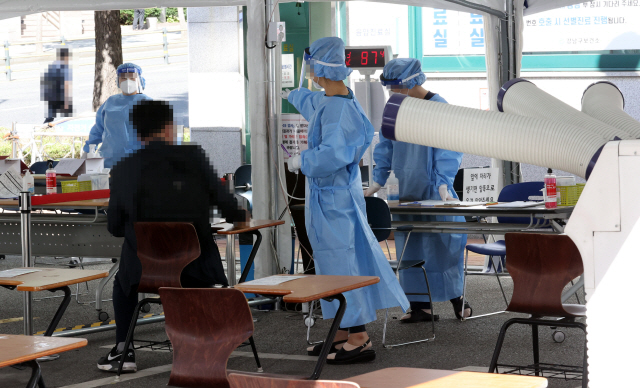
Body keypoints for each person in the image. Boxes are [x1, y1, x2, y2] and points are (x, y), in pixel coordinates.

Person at [282, 37, 409, 365]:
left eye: (310, 65)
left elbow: (334, 154)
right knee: (329, 269)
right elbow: (315, 104)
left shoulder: (341, 110)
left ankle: (359, 338)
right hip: (326, 202)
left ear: (319, 69)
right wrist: (294, 94)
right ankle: (339, 332)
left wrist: (303, 161)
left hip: (336, 203)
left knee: (342, 271)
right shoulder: (331, 99)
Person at [97, 100, 247, 373]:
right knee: (199, 252)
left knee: (122, 280)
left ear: (137, 133)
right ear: (169, 128)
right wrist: (240, 215)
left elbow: (115, 227)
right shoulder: (193, 158)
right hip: (196, 270)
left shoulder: (122, 169)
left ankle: (124, 350)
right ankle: (202, 344)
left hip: (145, 272)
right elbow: (227, 205)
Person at [366, 58, 472, 322]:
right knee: (409, 250)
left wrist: (444, 182)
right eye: (391, 89)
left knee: (443, 248)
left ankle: (458, 300)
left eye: (399, 88)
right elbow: (386, 145)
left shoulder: (439, 108)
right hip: (405, 192)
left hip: (436, 191)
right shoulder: (395, 108)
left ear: (414, 81)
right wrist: (378, 180)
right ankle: (419, 307)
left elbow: (449, 147)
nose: (395, 94)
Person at [83, 63, 150, 169]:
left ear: (140, 80)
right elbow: (98, 130)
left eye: (132, 78)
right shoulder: (110, 102)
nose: (127, 81)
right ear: (117, 81)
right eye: (123, 78)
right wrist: (87, 150)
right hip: (109, 162)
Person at [41, 48, 73, 124]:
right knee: (66, 112)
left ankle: (46, 125)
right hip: (57, 92)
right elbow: (66, 82)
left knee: (51, 113)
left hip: (50, 91)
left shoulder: (54, 64)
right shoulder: (65, 66)